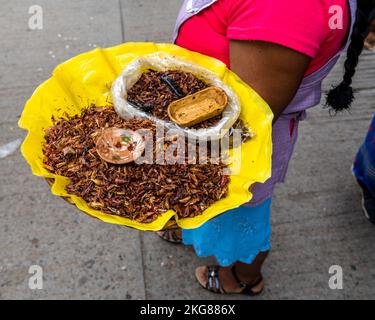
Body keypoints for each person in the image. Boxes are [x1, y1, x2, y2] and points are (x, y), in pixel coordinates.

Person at [157, 0, 375, 295]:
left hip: (232, 150)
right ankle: (192, 222)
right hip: (204, 133)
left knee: (240, 214)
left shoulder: (284, 8)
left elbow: (245, 122)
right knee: (207, 201)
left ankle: (244, 277)